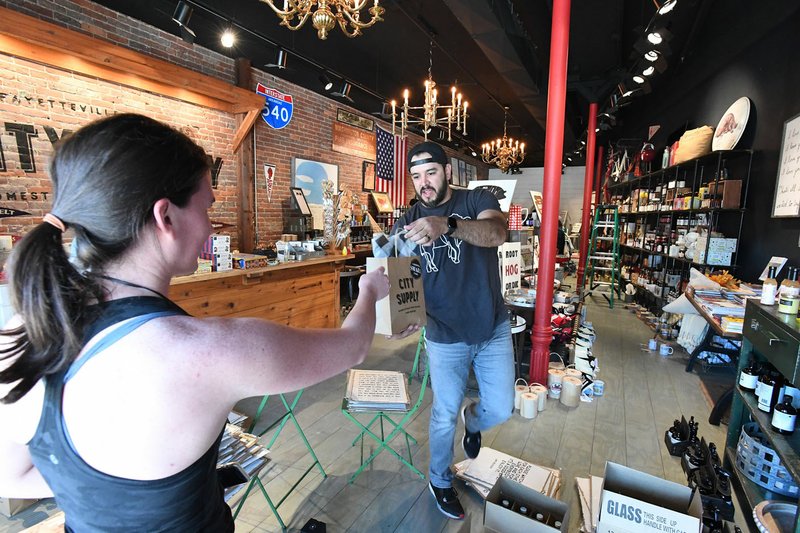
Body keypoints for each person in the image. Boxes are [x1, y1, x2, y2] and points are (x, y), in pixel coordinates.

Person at [0, 113, 390, 531]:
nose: (209, 226)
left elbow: (13, 474)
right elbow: (353, 346)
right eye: (207, 207)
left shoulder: (21, 332)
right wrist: (367, 291)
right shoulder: (211, 351)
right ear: (165, 217)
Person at [390, 141, 514, 520]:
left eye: (430, 173)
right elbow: (401, 278)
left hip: (491, 325)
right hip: (444, 335)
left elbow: (498, 233)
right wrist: (402, 317)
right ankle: (439, 480)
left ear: (447, 171)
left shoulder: (475, 200)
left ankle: (473, 421)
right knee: (443, 412)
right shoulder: (405, 220)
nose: (423, 183)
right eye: (415, 176)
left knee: (502, 407)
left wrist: (447, 225)